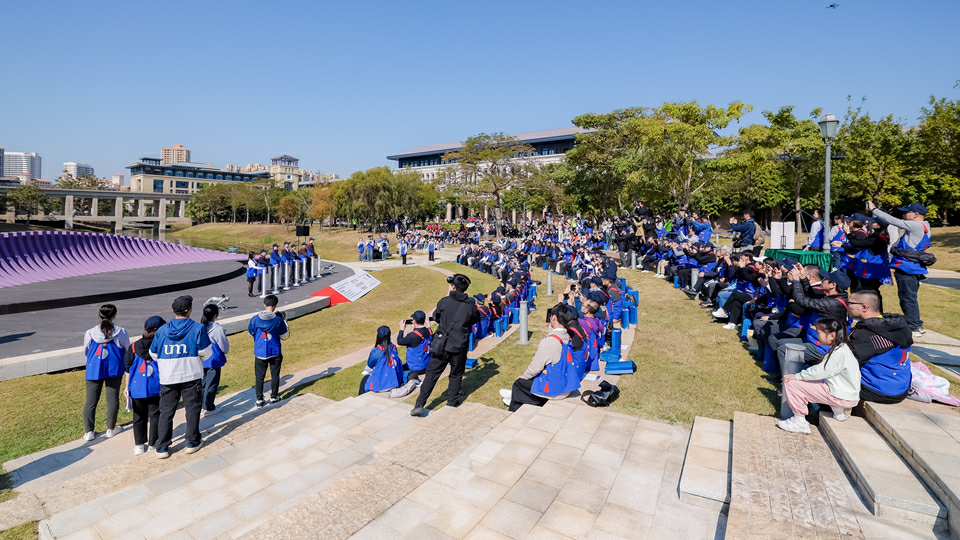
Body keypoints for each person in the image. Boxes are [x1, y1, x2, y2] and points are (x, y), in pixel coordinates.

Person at [150, 296, 212, 459]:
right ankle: (192, 441)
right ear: (190, 310)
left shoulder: (162, 330)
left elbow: (153, 353)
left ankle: (162, 446)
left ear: (172, 311)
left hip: (168, 377)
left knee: (166, 412)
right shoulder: (198, 328)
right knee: (192, 409)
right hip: (191, 375)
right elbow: (206, 353)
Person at [411, 274, 479, 416]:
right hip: (459, 346)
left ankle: (420, 403)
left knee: (431, 374)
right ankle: (452, 402)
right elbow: (475, 319)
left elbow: (436, 317)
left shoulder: (444, 301)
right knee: (456, 375)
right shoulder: (470, 306)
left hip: (442, 344)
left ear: (453, 287)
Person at [777, 318, 861, 434]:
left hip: (841, 396)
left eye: (819, 333)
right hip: (847, 395)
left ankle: (799, 421)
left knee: (791, 383)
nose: (817, 336)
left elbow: (820, 371)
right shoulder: (843, 349)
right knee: (816, 381)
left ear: (831, 335)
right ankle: (839, 411)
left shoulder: (838, 353)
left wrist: (797, 376)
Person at [868, 201, 932, 337]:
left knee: (907, 298)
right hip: (914, 267)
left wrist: (875, 210)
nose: (903, 215)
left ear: (916, 214)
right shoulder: (925, 226)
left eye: (905, 212)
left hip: (906, 267)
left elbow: (894, 221)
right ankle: (916, 324)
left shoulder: (916, 226)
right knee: (910, 298)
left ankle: (913, 327)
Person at [500, 303, 577, 411]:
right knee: (529, 381)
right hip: (565, 385)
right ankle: (513, 396)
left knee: (518, 384)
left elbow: (536, 367)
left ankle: (515, 410)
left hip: (555, 390)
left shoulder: (550, 342)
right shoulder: (567, 336)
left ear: (553, 317)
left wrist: (524, 376)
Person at [846, 288, 913, 404]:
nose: (846, 306)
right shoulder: (897, 325)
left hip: (879, 391)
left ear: (864, 307)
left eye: (850, 303)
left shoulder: (866, 335)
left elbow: (844, 362)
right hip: (901, 388)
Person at [82, 304, 130, 441]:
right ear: (114, 315)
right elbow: (126, 349)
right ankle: (111, 428)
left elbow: (86, 351)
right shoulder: (121, 332)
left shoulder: (90, 332)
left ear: (100, 315)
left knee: (91, 401)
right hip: (114, 368)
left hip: (94, 369)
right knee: (112, 399)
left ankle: (89, 432)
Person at [125, 316, 165, 455]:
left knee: (138, 416)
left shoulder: (134, 346)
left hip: (137, 387)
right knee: (155, 415)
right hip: (156, 385)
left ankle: (139, 445)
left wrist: (126, 387)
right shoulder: (160, 345)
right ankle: (153, 443)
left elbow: (128, 368)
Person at [248, 294, 290, 408]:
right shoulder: (277, 320)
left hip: (260, 351)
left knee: (259, 376)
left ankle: (259, 399)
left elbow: (251, 332)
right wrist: (284, 321)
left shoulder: (255, 318)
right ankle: (273, 396)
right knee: (275, 374)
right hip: (274, 350)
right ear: (275, 306)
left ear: (264, 305)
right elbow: (285, 335)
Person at [200, 304, 229, 416]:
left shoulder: (200, 327)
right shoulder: (218, 329)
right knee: (212, 385)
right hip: (213, 360)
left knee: (203, 384)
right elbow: (224, 347)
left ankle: (203, 405)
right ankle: (209, 408)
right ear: (215, 315)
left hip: (202, 360)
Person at [359, 326, 404, 395]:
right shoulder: (393, 347)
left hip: (382, 386)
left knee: (364, 381)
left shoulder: (376, 351)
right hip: (396, 381)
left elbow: (368, 368)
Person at [397, 311, 432, 381]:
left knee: (397, 369)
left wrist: (401, 330)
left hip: (415, 368)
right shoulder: (429, 331)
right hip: (427, 365)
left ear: (414, 321)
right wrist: (428, 325)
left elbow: (399, 341)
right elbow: (428, 330)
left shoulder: (412, 336)